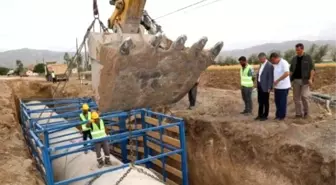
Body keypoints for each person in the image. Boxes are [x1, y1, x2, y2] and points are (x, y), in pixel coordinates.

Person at [290, 43, 315, 118]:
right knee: (296, 98)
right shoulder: (294, 59)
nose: (297, 51)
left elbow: (312, 69)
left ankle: (306, 113)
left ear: (302, 49)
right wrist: (289, 79)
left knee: (304, 96)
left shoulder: (308, 57)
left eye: (298, 50)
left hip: (305, 80)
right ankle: (298, 113)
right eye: (296, 50)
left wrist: (310, 79)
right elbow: (291, 70)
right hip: (296, 81)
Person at [270, 52, 291, 120]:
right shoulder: (275, 64)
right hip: (277, 87)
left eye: (273, 60)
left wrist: (278, 80)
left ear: (277, 58)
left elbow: (287, 73)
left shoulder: (284, 63)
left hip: (284, 86)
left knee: (282, 102)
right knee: (277, 101)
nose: (272, 62)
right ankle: (278, 115)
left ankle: (282, 116)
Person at [255, 52, 274, 121]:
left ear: (264, 58)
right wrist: (257, 85)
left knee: (265, 102)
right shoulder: (261, 64)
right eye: (259, 59)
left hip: (265, 87)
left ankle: (265, 115)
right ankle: (260, 115)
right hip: (260, 85)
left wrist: (269, 87)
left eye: (260, 59)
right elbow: (259, 75)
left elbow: (270, 77)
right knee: (260, 101)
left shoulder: (269, 65)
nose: (259, 60)